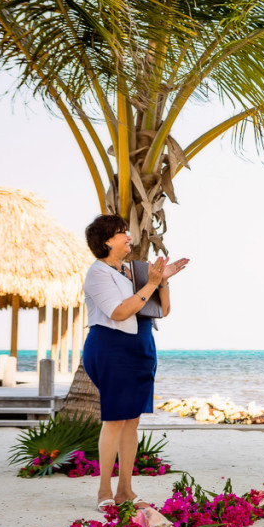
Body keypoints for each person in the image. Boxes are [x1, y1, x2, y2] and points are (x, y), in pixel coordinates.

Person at [81, 215, 189, 511]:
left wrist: (162, 281)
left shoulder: (134, 270)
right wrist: (151, 283)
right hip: (111, 348)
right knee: (115, 419)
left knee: (132, 421)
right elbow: (118, 312)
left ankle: (125, 491)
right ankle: (104, 490)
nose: (129, 237)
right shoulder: (98, 273)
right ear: (106, 241)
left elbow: (162, 310)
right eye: (121, 233)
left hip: (142, 348)